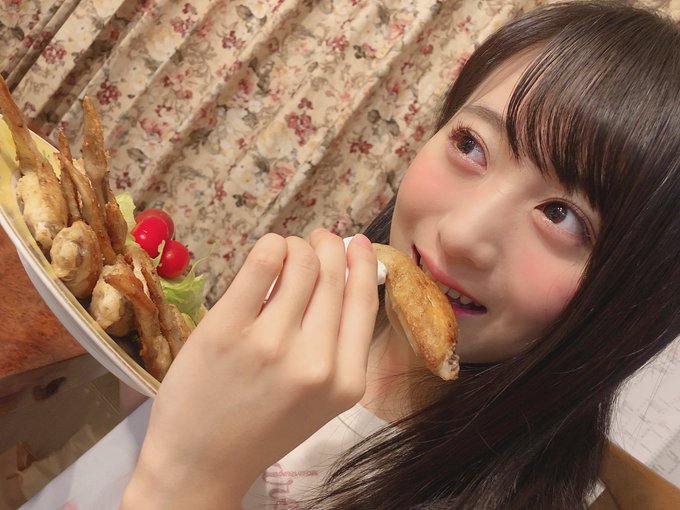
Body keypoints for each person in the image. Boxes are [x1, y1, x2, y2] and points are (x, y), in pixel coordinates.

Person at [117, 2, 680, 508]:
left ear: (633, 304)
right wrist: (135, 354)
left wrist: (190, 479)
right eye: (470, 144)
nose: (461, 234)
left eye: (562, 215)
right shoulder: (307, 300)